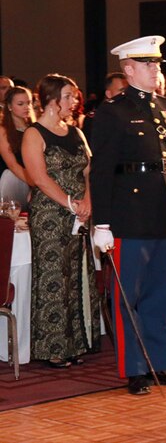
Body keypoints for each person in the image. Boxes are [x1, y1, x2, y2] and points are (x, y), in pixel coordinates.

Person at [90, 36, 166, 395]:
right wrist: (101, 223)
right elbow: (101, 170)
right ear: (129, 69)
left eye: (158, 64)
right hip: (129, 214)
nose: (156, 70)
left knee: (160, 294)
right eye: (148, 64)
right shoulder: (111, 112)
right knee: (128, 295)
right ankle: (135, 368)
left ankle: (160, 363)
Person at [22, 73, 101, 368]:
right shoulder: (34, 134)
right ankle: (53, 347)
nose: (74, 101)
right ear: (52, 100)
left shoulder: (76, 132)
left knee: (77, 275)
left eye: (75, 96)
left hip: (79, 213)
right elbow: (40, 178)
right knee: (54, 278)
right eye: (68, 96)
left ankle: (76, 343)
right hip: (51, 216)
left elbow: (88, 172)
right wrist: (70, 203)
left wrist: (88, 201)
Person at [0, 86, 35, 207]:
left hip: (34, 180)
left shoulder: (34, 128)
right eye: (21, 104)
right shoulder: (3, 130)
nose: (27, 107)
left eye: (29, 103)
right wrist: (35, 183)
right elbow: (12, 165)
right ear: (9, 106)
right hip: (12, 180)